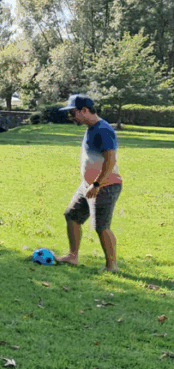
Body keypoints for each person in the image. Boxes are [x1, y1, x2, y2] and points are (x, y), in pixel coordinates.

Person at [55, 94, 122, 272]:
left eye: (73, 113)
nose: (71, 118)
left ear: (84, 110)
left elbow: (110, 160)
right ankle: (72, 256)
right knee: (72, 216)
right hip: (88, 184)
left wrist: (97, 184)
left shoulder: (103, 129)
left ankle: (112, 266)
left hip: (105, 186)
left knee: (101, 226)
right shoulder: (91, 128)